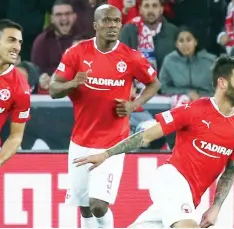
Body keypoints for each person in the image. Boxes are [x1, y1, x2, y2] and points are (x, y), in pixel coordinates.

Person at [74, 55, 234, 228]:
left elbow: (231, 171)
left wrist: (216, 207)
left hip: (191, 196)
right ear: (222, 83)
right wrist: (106, 154)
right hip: (172, 179)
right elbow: (146, 136)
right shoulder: (194, 110)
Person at [49, 4, 160, 229]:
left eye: (116, 21)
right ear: (95, 25)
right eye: (107, 21)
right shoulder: (77, 53)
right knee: (84, 206)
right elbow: (53, 89)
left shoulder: (131, 57)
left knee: (98, 204)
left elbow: (154, 83)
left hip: (112, 142)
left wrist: (134, 104)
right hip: (81, 140)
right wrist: (73, 83)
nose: (112, 25)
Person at [0, 19, 31, 166]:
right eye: (11, 40)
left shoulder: (21, 86)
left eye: (19, 42)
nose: (17, 47)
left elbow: (16, 136)